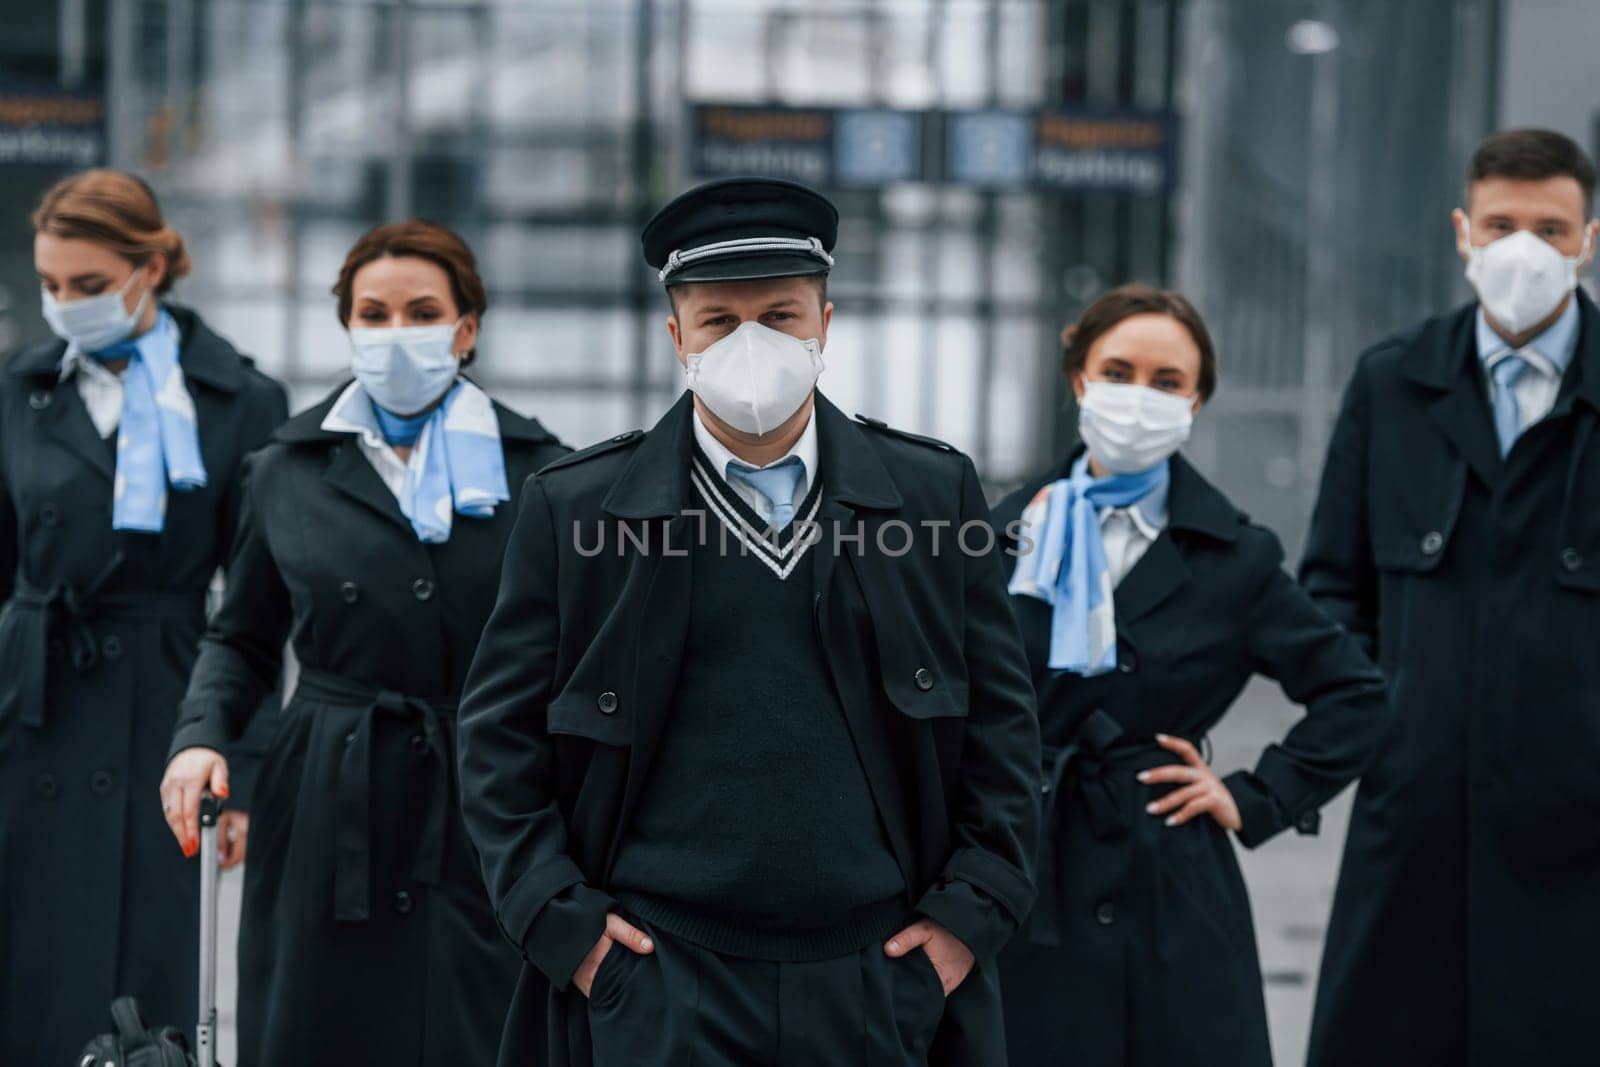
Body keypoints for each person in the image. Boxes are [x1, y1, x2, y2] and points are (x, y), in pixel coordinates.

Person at [455, 177, 1041, 1067]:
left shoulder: (931, 496)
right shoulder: (574, 510)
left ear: (826, 324)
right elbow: (498, 743)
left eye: (781, 314)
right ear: (676, 336)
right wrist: (566, 929)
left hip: (877, 978)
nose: (753, 345)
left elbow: (1003, 728)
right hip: (657, 981)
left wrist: (967, 919)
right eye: (721, 321)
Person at [159, 219, 570, 1065]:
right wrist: (202, 739)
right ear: (347, 326)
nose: (394, 333)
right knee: (318, 1026)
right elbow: (241, 636)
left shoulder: (544, 474)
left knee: (476, 1025)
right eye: (372, 313)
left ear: (466, 329)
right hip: (322, 799)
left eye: (421, 311)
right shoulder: (285, 469)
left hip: (483, 799)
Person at [989, 284, 1388, 1067]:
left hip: (1169, 882)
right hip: (1022, 864)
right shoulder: (1002, 530)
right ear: (1079, 378)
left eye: (1168, 381)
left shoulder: (1236, 556)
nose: (1139, 397)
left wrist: (1253, 794)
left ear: (1196, 399)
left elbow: (1357, 694)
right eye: (1118, 370)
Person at [1302, 128, 1600, 1065]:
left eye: (1551, 229)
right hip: (1412, 819)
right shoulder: (1394, 384)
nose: (1525, 249)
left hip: (1581, 831)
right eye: (1503, 223)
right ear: (1463, 232)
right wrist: (1380, 728)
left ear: (1589, 239)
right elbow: (1332, 590)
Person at [0, 169, 288, 1062]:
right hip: (32, 701)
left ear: (152, 264)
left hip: (169, 711)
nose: (65, 305)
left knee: (149, 970)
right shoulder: (21, 381)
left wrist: (242, 757)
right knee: (28, 964)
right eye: (50, 286)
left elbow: (257, 603)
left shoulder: (242, 398)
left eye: (88, 285)